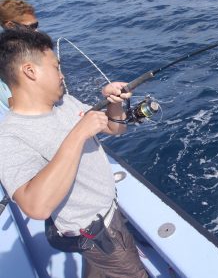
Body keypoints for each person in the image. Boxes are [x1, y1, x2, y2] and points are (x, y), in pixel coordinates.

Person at [0, 29, 148, 278]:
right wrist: (78, 133)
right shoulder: (10, 137)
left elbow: (115, 127)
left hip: (107, 209)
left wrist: (114, 102)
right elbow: (36, 207)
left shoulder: (65, 103)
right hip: (97, 231)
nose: (62, 74)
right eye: (56, 67)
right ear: (30, 71)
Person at [0, 0, 39, 113]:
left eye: (36, 24)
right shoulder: (6, 54)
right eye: (30, 27)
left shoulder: (27, 43)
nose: (36, 31)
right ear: (10, 25)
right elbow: (13, 102)